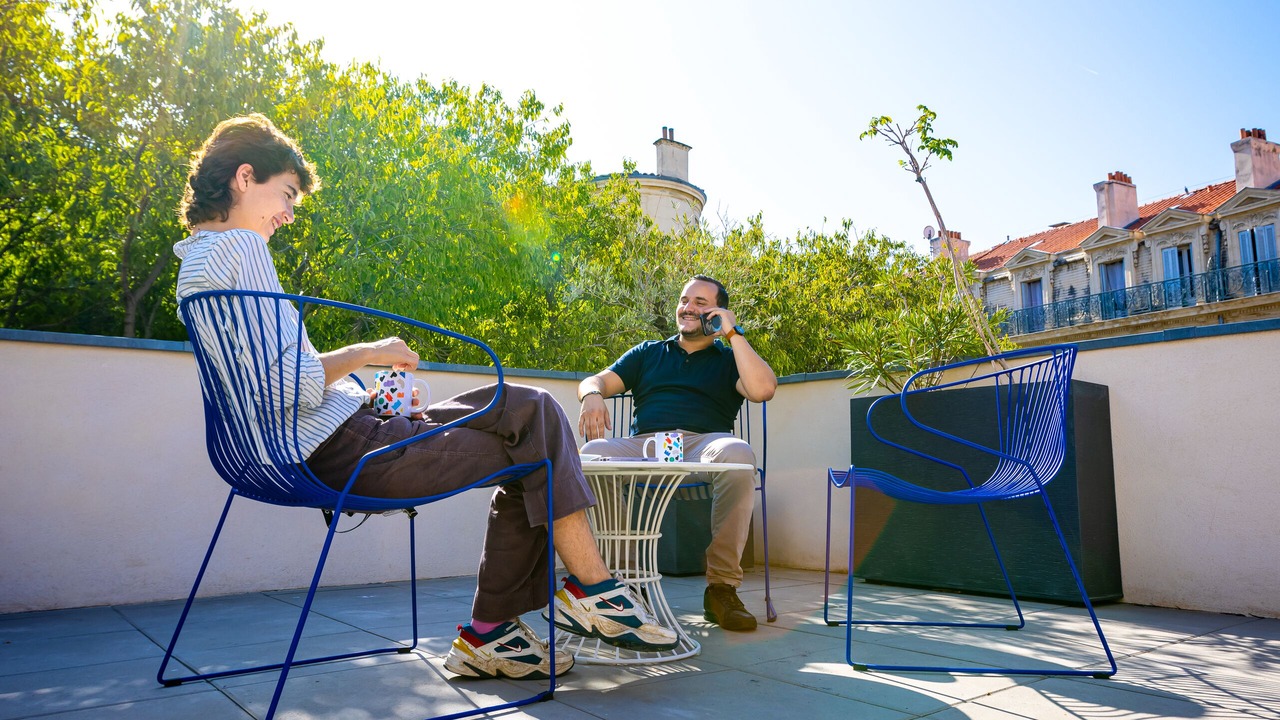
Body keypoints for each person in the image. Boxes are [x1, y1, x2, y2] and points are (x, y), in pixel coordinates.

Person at [172, 113, 676, 681]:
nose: (289, 213)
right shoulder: (239, 250)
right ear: (245, 177)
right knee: (535, 441)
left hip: (332, 440)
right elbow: (287, 385)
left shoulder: (198, 262)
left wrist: (364, 395)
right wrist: (370, 350)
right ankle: (576, 597)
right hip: (345, 452)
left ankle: (512, 626)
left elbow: (276, 382)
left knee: (529, 412)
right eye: (286, 194)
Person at [577, 275, 778, 631]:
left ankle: (721, 588)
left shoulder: (730, 359)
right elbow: (595, 381)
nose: (688, 308)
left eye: (701, 303)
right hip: (646, 447)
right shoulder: (648, 353)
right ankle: (627, 582)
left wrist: (733, 334)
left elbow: (763, 390)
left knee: (738, 453)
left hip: (704, 446)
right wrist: (592, 395)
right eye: (685, 300)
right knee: (592, 453)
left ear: (718, 313)